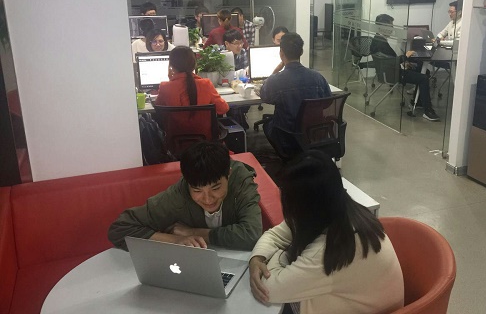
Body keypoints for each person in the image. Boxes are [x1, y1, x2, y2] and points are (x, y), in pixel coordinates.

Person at [249, 150, 405, 314]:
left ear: (302, 206)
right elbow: (274, 235)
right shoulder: (346, 212)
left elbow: (268, 289)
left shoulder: (328, 251)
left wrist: (279, 253)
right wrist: (257, 258)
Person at [108, 141, 262, 251]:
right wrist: (175, 240)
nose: (208, 199)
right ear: (187, 182)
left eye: (215, 188)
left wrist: (192, 232)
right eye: (197, 191)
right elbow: (120, 229)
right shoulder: (178, 195)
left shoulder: (241, 181)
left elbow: (252, 235)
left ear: (228, 174)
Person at [259, 33, 331, 155]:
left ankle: (287, 156)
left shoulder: (276, 80)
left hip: (286, 137)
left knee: (267, 124)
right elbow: (327, 102)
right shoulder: (318, 77)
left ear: (281, 53)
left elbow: (265, 96)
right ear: (301, 52)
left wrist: (274, 72)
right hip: (313, 134)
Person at [370, 14, 440, 121]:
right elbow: (389, 61)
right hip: (393, 74)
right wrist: (405, 57)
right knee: (423, 77)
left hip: (389, 71)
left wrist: (403, 63)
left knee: (423, 70)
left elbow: (388, 60)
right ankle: (428, 111)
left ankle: (419, 101)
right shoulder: (381, 43)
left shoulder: (377, 39)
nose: (392, 29)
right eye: (391, 26)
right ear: (382, 27)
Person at [154, 46, 229, 114]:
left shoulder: (165, 87)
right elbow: (223, 109)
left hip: (174, 126)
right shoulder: (206, 84)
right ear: (194, 65)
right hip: (202, 125)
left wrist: (171, 81)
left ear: (171, 66)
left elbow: (158, 110)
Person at [223, 29, 250, 129]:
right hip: (224, 88)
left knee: (245, 99)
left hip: (240, 85)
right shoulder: (220, 54)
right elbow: (223, 76)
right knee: (234, 107)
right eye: (236, 43)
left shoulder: (243, 52)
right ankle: (238, 126)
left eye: (241, 43)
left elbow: (246, 71)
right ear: (227, 44)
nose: (240, 46)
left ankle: (238, 124)